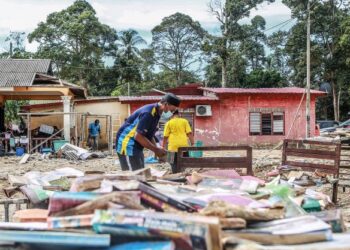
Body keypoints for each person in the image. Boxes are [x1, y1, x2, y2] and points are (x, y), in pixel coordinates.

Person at [116, 93, 181, 171]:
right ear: (166, 104)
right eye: (171, 110)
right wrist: (156, 150)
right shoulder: (148, 113)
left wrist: (157, 150)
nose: (172, 113)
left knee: (140, 170)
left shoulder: (157, 113)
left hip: (136, 144)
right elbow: (138, 136)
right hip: (127, 143)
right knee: (133, 175)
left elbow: (149, 135)